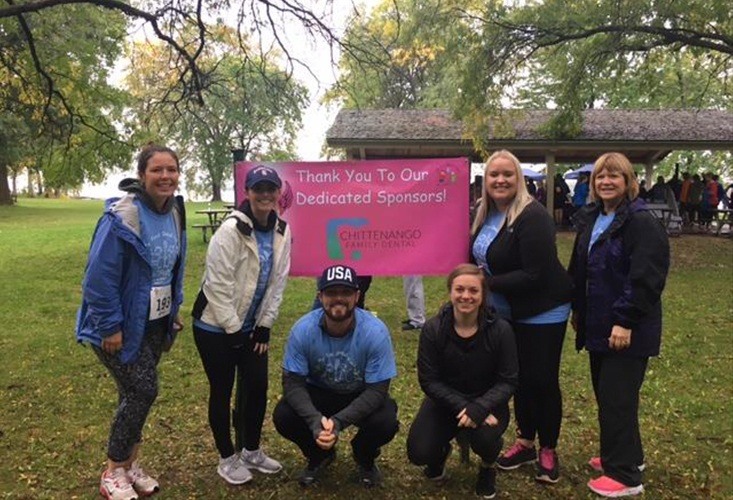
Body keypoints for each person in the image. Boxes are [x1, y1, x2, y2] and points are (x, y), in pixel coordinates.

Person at [76, 144, 187, 500]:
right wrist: (109, 325)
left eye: (171, 169)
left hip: (154, 323)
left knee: (133, 394)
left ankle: (130, 465)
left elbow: (173, 268)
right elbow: (98, 278)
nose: (165, 176)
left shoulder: (175, 212)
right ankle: (113, 471)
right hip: (116, 325)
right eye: (157, 170)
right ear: (142, 175)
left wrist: (173, 311)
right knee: (143, 390)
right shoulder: (121, 218)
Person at [568, 152, 669, 497]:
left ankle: (625, 476)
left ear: (628, 182)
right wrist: (577, 309)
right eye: (600, 177)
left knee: (617, 398)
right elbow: (582, 269)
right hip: (597, 325)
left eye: (614, 176)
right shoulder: (594, 217)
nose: (606, 182)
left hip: (627, 328)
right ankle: (627, 455)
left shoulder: (640, 222)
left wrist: (625, 321)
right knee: (610, 395)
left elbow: (646, 277)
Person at [470, 150, 573, 484]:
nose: (500, 180)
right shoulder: (483, 213)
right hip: (506, 312)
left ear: (520, 179)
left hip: (542, 309)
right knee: (517, 379)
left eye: (507, 174)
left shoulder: (533, 216)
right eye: (493, 175)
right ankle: (526, 441)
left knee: (541, 379)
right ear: (486, 181)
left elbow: (535, 274)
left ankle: (549, 448)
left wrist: (485, 283)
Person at [191, 165, 291, 485]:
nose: (264, 195)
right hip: (213, 325)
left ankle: (250, 450)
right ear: (246, 193)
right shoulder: (230, 230)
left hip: (250, 327)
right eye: (258, 189)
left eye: (270, 189)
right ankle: (227, 457)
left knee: (257, 386)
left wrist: (264, 325)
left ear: (278, 193)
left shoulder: (282, 231)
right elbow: (216, 287)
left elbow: (278, 282)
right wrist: (233, 331)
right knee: (222, 390)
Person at [273, 265, 399, 488]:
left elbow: (378, 390)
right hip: (319, 393)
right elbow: (292, 383)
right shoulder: (302, 329)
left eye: (346, 292)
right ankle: (320, 455)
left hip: (359, 393)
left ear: (357, 296)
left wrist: (338, 423)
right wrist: (314, 421)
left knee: (386, 420)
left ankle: (364, 457)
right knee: (284, 415)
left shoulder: (375, 331)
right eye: (331, 293)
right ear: (320, 296)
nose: (338, 299)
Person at [407, 264, 518, 499]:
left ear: (483, 295)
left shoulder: (501, 330)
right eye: (459, 289)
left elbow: (508, 381)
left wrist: (480, 407)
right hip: (445, 403)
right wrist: (465, 406)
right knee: (418, 452)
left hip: (487, 403)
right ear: (450, 291)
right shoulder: (433, 329)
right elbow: (429, 380)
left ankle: (488, 466)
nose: (466, 296)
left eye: (473, 291)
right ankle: (440, 452)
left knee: (485, 439)